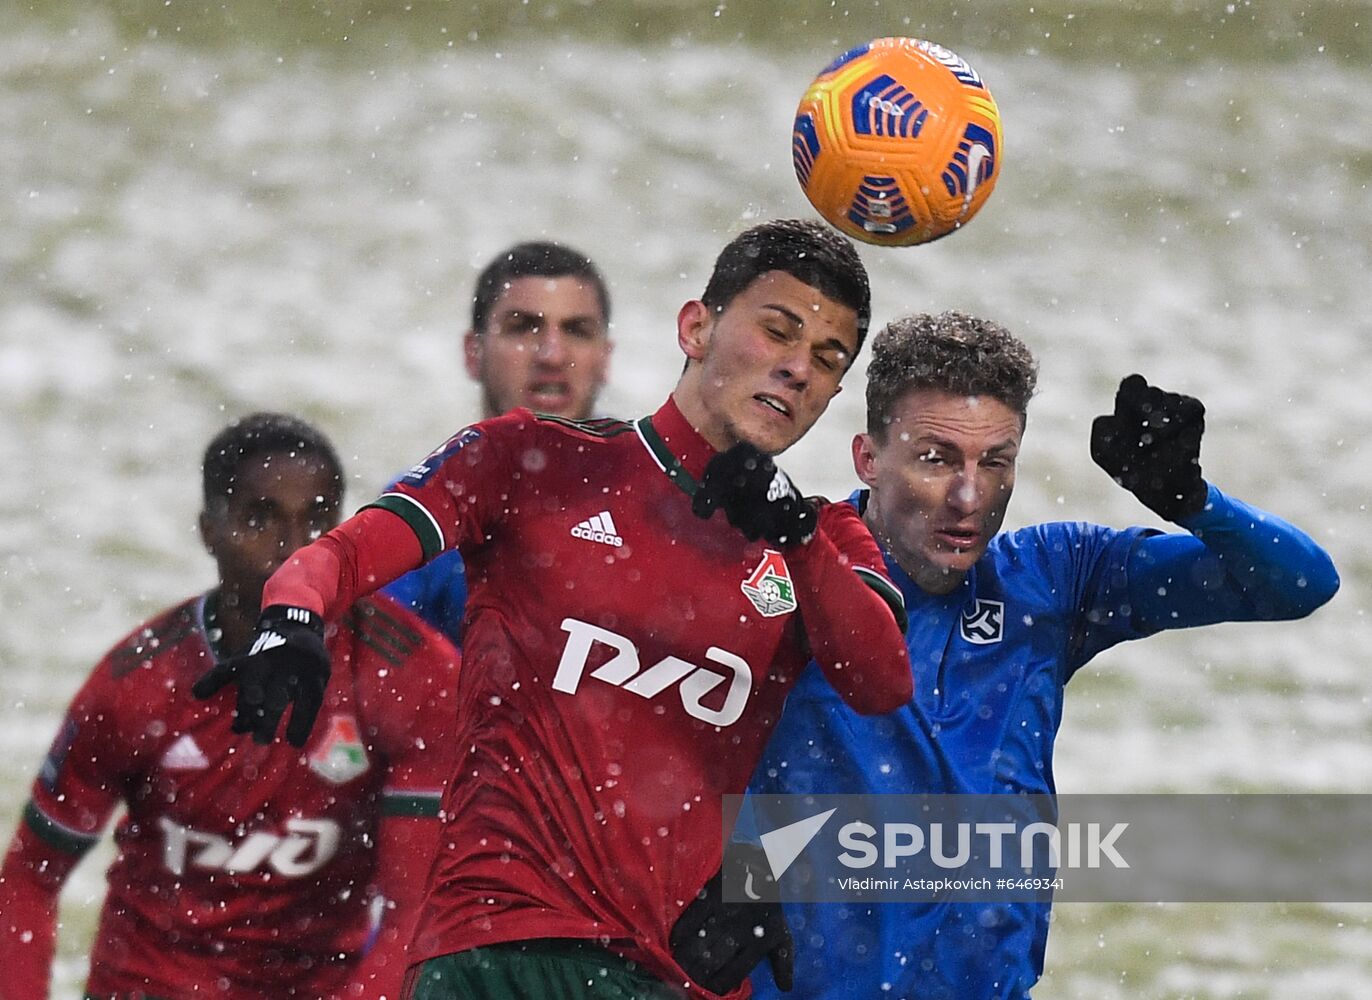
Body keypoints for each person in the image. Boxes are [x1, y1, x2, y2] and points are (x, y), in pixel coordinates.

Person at [191, 219, 915, 999]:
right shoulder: (530, 460)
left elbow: (879, 682)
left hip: (679, 977)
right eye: (778, 331)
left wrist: (797, 538)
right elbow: (345, 554)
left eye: (826, 359)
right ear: (696, 326)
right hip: (498, 951)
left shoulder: (826, 539)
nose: (797, 368)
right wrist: (292, 614)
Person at [747, 311, 1340, 1000]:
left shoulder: (1054, 578)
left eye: (994, 462)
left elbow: (1301, 584)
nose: (968, 497)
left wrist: (1196, 502)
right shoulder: (781, 567)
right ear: (868, 457)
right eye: (937, 459)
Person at [0, 413, 461, 1000]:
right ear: (207, 530)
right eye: (260, 518)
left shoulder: (413, 675)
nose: (293, 548)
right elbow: (29, 879)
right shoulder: (137, 683)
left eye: (318, 519)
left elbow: (413, 915)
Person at [384, 241, 613, 645]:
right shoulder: (421, 504)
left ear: (606, 358)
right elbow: (376, 678)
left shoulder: (664, 511)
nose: (552, 354)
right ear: (473, 353)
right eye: (524, 326)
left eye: (576, 330)